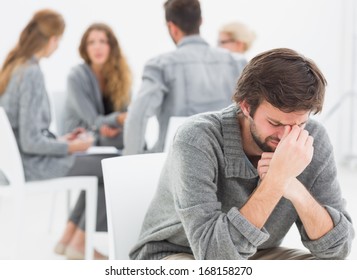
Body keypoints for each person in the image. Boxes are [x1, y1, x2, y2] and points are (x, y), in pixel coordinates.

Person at [130, 48, 355, 260]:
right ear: (246, 106)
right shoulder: (197, 138)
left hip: (254, 254)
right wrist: (275, 181)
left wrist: (294, 189)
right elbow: (214, 259)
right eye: (275, 122)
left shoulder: (311, 139)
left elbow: (339, 248)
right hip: (180, 253)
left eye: (299, 124)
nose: (286, 136)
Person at [0, 9, 111, 260]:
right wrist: (72, 148)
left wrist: (61, 140)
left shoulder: (13, 68)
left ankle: (70, 237)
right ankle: (80, 242)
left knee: (100, 164)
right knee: (110, 165)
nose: (57, 46)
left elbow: (27, 134)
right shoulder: (31, 73)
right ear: (51, 39)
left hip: (18, 165)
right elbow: (29, 142)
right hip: (33, 166)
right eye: (58, 39)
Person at [123, 0, 244, 155]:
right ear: (201, 21)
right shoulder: (236, 62)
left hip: (176, 163)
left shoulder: (160, 65)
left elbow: (137, 117)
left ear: (172, 27)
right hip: (226, 161)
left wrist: (131, 163)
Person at [64, 23, 132, 150]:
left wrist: (116, 127)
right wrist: (117, 120)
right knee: (127, 141)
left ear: (111, 46)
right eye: (91, 43)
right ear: (85, 48)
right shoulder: (75, 77)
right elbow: (93, 121)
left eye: (102, 41)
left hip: (110, 135)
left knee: (135, 138)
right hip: (83, 136)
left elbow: (125, 116)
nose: (97, 47)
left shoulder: (121, 76)